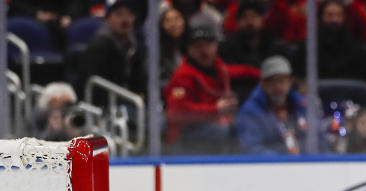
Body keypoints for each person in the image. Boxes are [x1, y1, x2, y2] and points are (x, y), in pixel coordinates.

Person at [164, 24, 260, 153]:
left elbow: (242, 71)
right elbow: (177, 112)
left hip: (213, 123)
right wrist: (215, 109)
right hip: (187, 133)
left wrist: (266, 75)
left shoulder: (219, 68)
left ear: (216, 46)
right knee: (225, 130)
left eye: (208, 45)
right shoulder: (182, 77)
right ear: (189, 50)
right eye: (197, 46)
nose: (203, 51)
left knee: (245, 122)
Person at [236, 55, 325, 155]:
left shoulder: (303, 106)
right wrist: (283, 158)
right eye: (273, 82)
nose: (278, 87)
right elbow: (251, 148)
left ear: (290, 82)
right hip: (268, 168)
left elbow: (320, 141)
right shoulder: (250, 112)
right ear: (263, 84)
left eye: (282, 80)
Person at [81, 0, 144, 104]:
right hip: (107, 105)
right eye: (119, 14)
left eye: (129, 14)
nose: (125, 19)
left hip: (130, 102)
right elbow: (96, 87)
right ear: (107, 19)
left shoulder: (136, 46)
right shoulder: (98, 47)